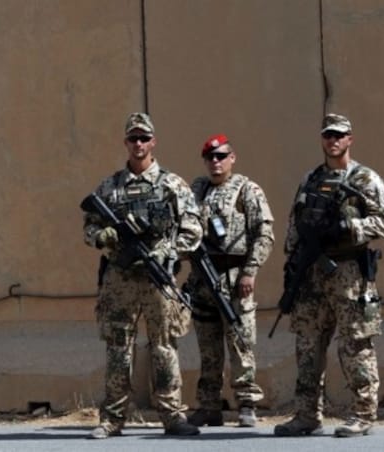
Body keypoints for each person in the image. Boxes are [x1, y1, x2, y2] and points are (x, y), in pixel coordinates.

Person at [273, 114, 384, 438]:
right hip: (312, 274)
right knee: (307, 345)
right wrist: (293, 264)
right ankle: (306, 414)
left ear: (350, 139)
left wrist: (350, 227)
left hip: (349, 273)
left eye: (339, 135)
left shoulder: (365, 179)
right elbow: (294, 223)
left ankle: (363, 413)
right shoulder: (311, 179)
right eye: (328, 135)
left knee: (355, 343)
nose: (333, 141)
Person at [82, 112, 203, 439]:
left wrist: (171, 251)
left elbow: (193, 228)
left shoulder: (172, 184)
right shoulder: (110, 186)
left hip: (157, 277)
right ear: (126, 143)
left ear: (153, 142)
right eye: (133, 138)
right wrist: (103, 236)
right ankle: (113, 418)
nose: (139, 144)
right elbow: (89, 227)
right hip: (120, 277)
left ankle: (172, 415)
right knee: (118, 347)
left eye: (144, 138)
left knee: (164, 346)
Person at [184, 134, 274, 428]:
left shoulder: (247, 189)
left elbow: (264, 233)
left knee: (240, 343)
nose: (215, 162)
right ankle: (209, 406)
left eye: (221, 156)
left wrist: (251, 270)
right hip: (202, 277)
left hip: (235, 276)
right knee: (208, 348)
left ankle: (246, 405)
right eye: (210, 157)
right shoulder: (197, 190)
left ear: (232, 158)